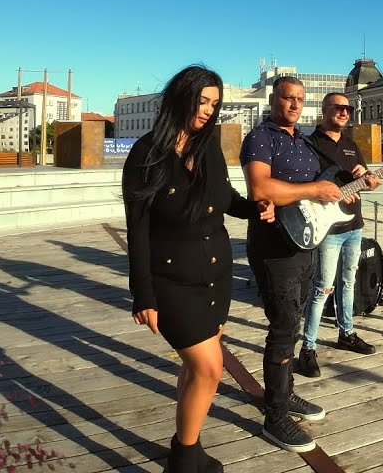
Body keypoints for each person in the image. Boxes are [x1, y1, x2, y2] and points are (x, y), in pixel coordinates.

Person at [122, 65, 275, 473]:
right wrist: (143, 293)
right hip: (170, 280)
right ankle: (184, 458)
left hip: (215, 277)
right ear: (180, 97)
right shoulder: (145, 154)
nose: (208, 110)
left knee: (195, 368)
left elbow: (226, 199)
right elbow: (136, 230)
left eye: (214, 103)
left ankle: (186, 444)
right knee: (210, 366)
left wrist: (255, 207)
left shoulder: (208, 149)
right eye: (201, 100)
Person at [241, 76, 342, 454]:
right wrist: (313, 190)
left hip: (306, 243)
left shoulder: (302, 141)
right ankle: (275, 417)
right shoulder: (261, 137)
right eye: (288, 98)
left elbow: (323, 190)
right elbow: (261, 189)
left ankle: (285, 394)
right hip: (274, 247)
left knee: (294, 322)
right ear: (273, 99)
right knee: (283, 327)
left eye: (300, 99)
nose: (295, 104)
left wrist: (344, 189)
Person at [297, 92, 380, 378]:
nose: (345, 112)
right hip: (328, 227)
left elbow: (364, 181)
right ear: (324, 110)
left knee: (349, 282)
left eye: (348, 108)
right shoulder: (308, 143)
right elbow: (303, 186)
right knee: (322, 288)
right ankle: (307, 348)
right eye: (339, 107)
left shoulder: (350, 144)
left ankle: (347, 332)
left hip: (353, 225)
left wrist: (368, 180)